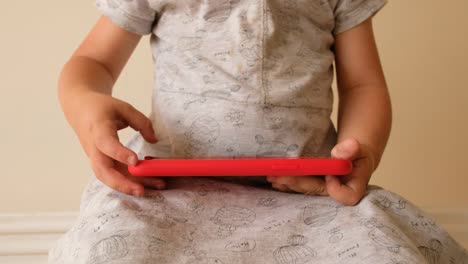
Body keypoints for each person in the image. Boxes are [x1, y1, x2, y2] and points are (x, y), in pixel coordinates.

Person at [49, 0, 468, 263]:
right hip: (168, 192)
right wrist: (87, 109)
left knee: (382, 250)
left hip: (308, 194)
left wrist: (364, 152)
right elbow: (92, 62)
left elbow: (362, 85)